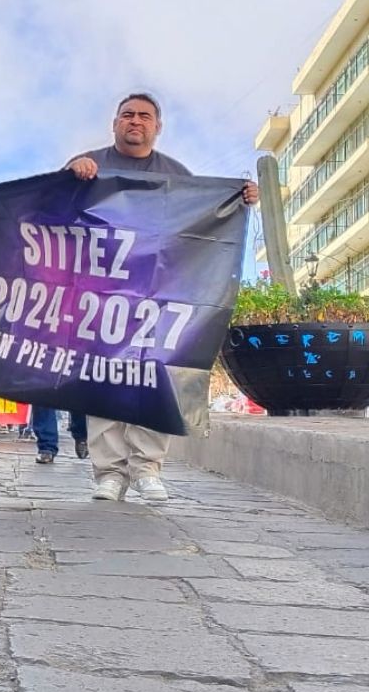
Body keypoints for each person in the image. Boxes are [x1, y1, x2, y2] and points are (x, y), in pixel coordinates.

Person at [67, 93, 258, 502]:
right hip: (103, 297)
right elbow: (56, 206)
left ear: (158, 126)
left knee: (154, 379)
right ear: (114, 123)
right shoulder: (90, 165)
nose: (135, 121)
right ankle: (109, 474)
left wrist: (240, 200)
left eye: (144, 116)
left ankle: (148, 468)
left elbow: (204, 221)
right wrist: (71, 172)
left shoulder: (177, 174)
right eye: (127, 115)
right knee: (105, 381)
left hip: (159, 298)